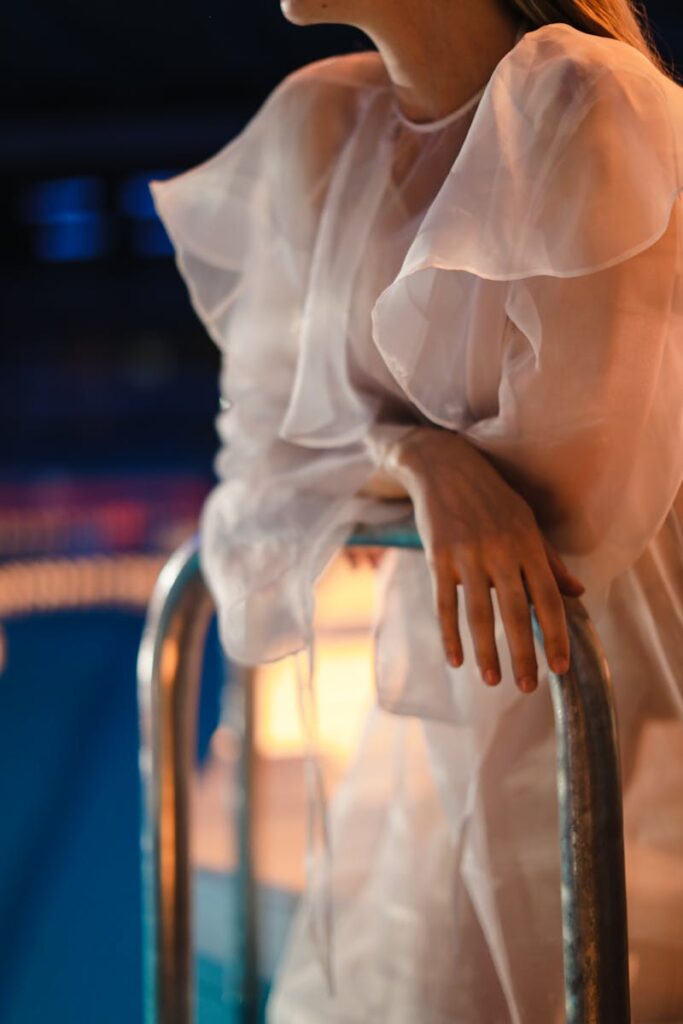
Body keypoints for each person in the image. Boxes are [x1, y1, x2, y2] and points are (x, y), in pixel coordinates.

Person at [151, 0, 683, 1019]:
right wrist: (415, 452)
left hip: (612, 699)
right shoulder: (317, 127)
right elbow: (256, 478)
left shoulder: (585, 103)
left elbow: (570, 505)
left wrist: (363, 469)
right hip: (439, 722)